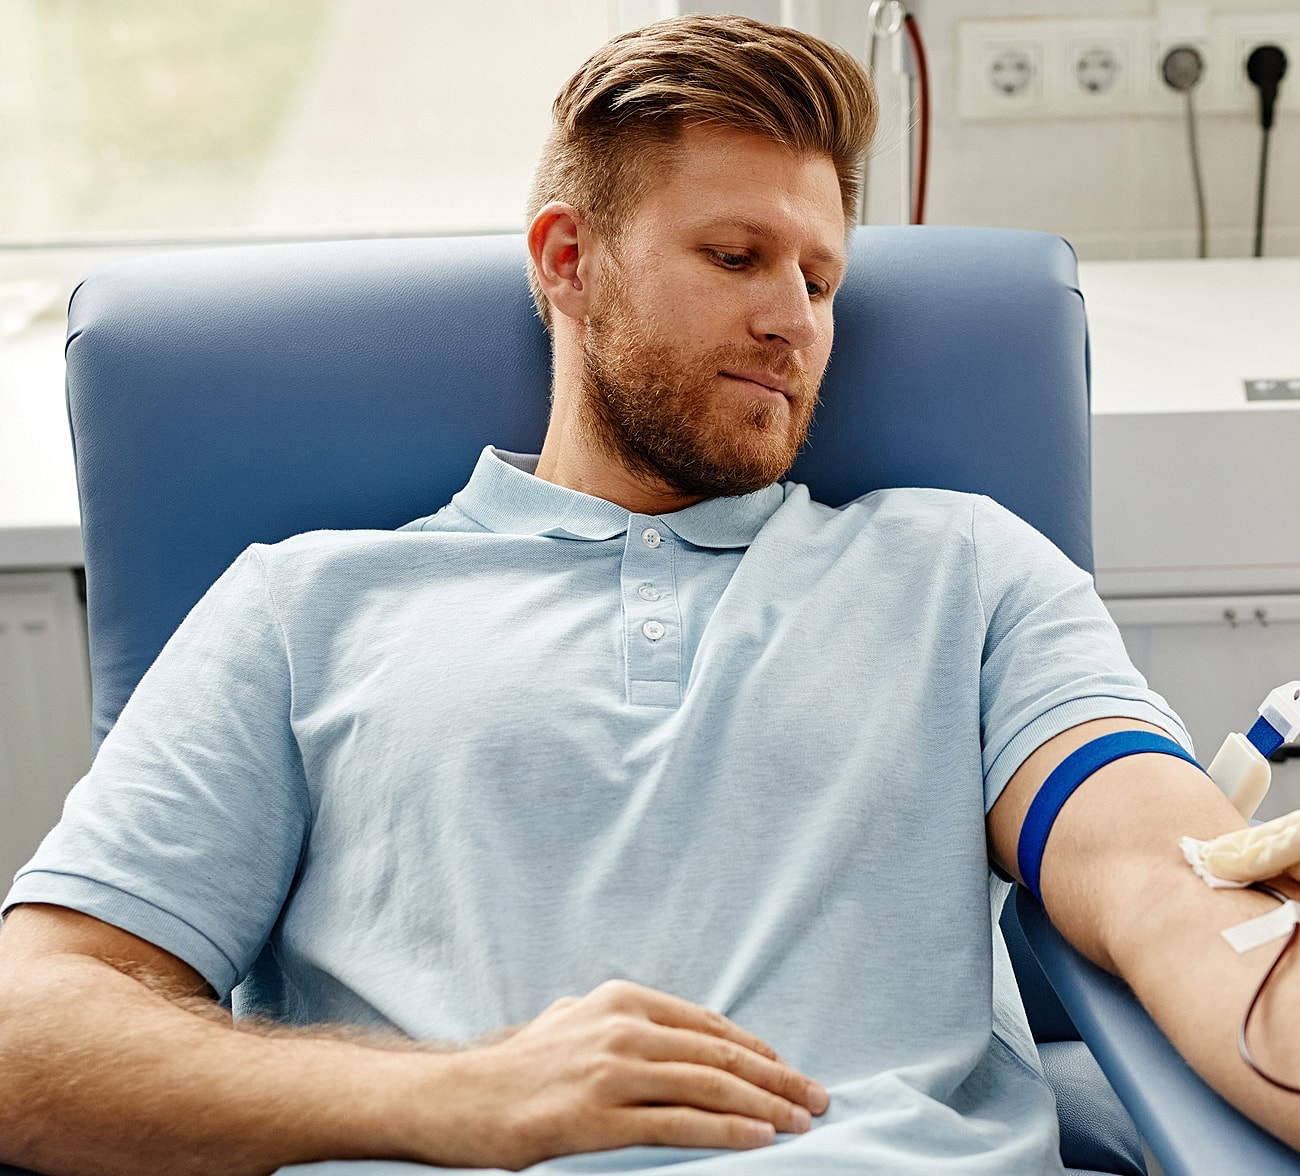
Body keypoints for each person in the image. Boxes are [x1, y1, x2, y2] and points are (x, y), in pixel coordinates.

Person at [1, 13, 1298, 1176]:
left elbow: (1173, 884)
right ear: (567, 261)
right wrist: (452, 1094)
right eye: (736, 256)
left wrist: (1255, 944)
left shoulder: (965, 568)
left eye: (820, 278)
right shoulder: (303, 609)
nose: (795, 318)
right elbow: (33, 1033)